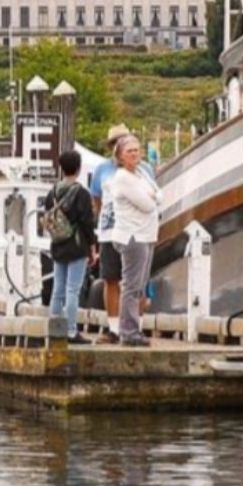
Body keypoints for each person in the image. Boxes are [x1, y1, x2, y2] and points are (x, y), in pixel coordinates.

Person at [107, 135, 160, 348]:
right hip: (133, 236)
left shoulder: (141, 173)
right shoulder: (122, 177)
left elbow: (158, 194)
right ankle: (128, 331)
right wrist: (152, 196)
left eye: (137, 150)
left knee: (139, 285)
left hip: (146, 234)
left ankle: (132, 327)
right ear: (119, 156)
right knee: (131, 285)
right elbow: (148, 204)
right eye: (129, 151)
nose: (135, 154)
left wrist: (152, 195)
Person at [45, 149, 96, 342]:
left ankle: (54, 328)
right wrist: (92, 246)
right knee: (72, 290)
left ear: (61, 167)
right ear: (79, 168)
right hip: (77, 245)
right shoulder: (81, 193)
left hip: (58, 245)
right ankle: (71, 331)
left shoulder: (52, 192)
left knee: (57, 289)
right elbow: (87, 222)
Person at [89, 123, 133, 336]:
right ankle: (114, 326)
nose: (119, 145)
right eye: (115, 142)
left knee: (133, 281)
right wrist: (101, 220)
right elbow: (95, 197)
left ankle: (133, 326)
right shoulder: (101, 169)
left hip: (133, 231)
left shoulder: (140, 168)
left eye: (123, 141)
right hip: (108, 232)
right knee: (110, 279)